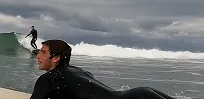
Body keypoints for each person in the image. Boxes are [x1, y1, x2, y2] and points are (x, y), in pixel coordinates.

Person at [30, 39, 176, 99]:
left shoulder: (49, 79)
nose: (38, 57)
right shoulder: (77, 71)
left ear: (56, 58)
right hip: (140, 93)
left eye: (43, 53)